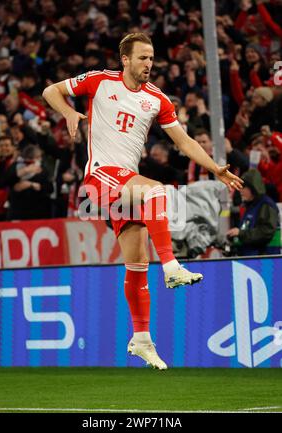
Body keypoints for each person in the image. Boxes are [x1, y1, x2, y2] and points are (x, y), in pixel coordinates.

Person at [43, 33, 243, 370]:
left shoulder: (157, 99)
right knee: (157, 190)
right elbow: (51, 91)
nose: (148, 64)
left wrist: (214, 169)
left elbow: (183, 141)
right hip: (100, 177)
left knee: (137, 265)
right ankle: (172, 267)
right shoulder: (99, 81)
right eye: (142, 58)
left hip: (124, 187)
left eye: (151, 58)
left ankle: (141, 339)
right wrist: (69, 113)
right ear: (125, 59)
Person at [226, 168, 280, 256]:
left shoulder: (266, 205)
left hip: (264, 261)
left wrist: (240, 233)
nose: (240, 191)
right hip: (251, 259)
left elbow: (266, 232)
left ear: (253, 188)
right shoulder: (251, 206)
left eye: (243, 187)